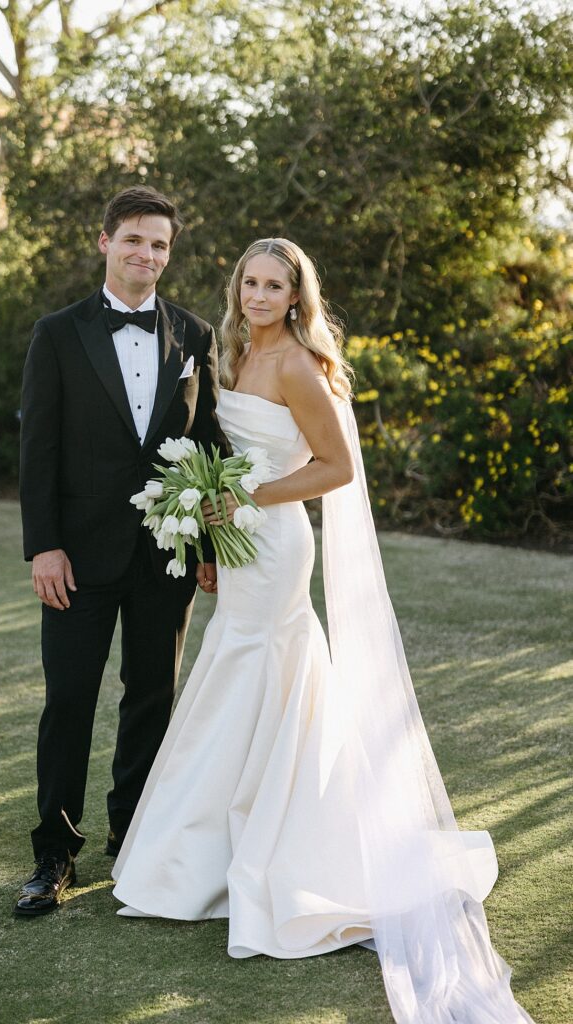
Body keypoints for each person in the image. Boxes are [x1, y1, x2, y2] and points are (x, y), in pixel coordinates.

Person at [112, 238, 535, 1023]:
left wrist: (247, 500)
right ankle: (198, 855)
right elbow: (218, 448)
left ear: (298, 296)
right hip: (238, 544)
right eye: (250, 282)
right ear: (236, 288)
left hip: (273, 544)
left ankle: (271, 851)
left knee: (259, 667)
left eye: (276, 285)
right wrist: (211, 517)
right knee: (234, 673)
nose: (260, 295)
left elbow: (335, 467)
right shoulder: (231, 351)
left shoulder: (298, 366)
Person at [15, 186, 229, 917]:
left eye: (160, 244)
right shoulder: (58, 332)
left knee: (152, 697)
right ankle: (53, 853)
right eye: (134, 239)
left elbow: (205, 447)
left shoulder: (195, 337)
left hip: (163, 555)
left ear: (170, 254)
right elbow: (37, 447)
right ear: (104, 241)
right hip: (74, 555)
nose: (147, 254)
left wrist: (205, 544)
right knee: (69, 699)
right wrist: (43, 546)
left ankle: (133, 837)